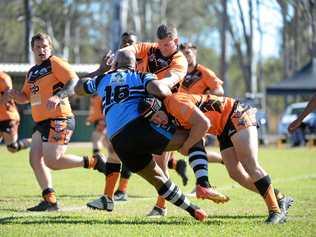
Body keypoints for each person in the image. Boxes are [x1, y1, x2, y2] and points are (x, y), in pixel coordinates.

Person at [75, 50, 212, 221]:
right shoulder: (140, 75)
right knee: (195, 137)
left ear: (115, 64)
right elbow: (158, 88)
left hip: (118, 141)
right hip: (139, 130)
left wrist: (99, 70)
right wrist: (169, 103)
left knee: (159, 180)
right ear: (134, 64)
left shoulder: (102, 78)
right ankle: (203, 183)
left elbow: (78, 88)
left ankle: (193, 210)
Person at [150, 92, 293, 224]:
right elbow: (198, 138)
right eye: (153, 120)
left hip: (236, 114)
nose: (158, 121)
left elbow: (203, 124)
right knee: (236, 174)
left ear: (160, 106)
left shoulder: (174, 102)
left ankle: (275, 211)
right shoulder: (168, 116)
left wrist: (186, 146)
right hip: (222, 128)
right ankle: (279, 198)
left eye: (156, 115)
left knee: (250, 164)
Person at [7, 32, 107, 211]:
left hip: (59, 117)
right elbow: (25, 97)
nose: (41, 50)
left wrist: (58, 96)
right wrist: (15, 94)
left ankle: (93, 162)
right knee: (35, 159)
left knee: (52, 161)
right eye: (38, 47)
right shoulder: (31, 72)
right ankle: (50, 200)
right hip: (42, 123)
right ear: (32, 49)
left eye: (45, 46)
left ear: (50, 47)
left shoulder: (55, 63)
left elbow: (74, 82)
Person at [0, 71, 31, 153]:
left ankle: (36, 141)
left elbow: (8, 96)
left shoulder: (3, 78)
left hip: (8, 116)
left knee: (12, 147)